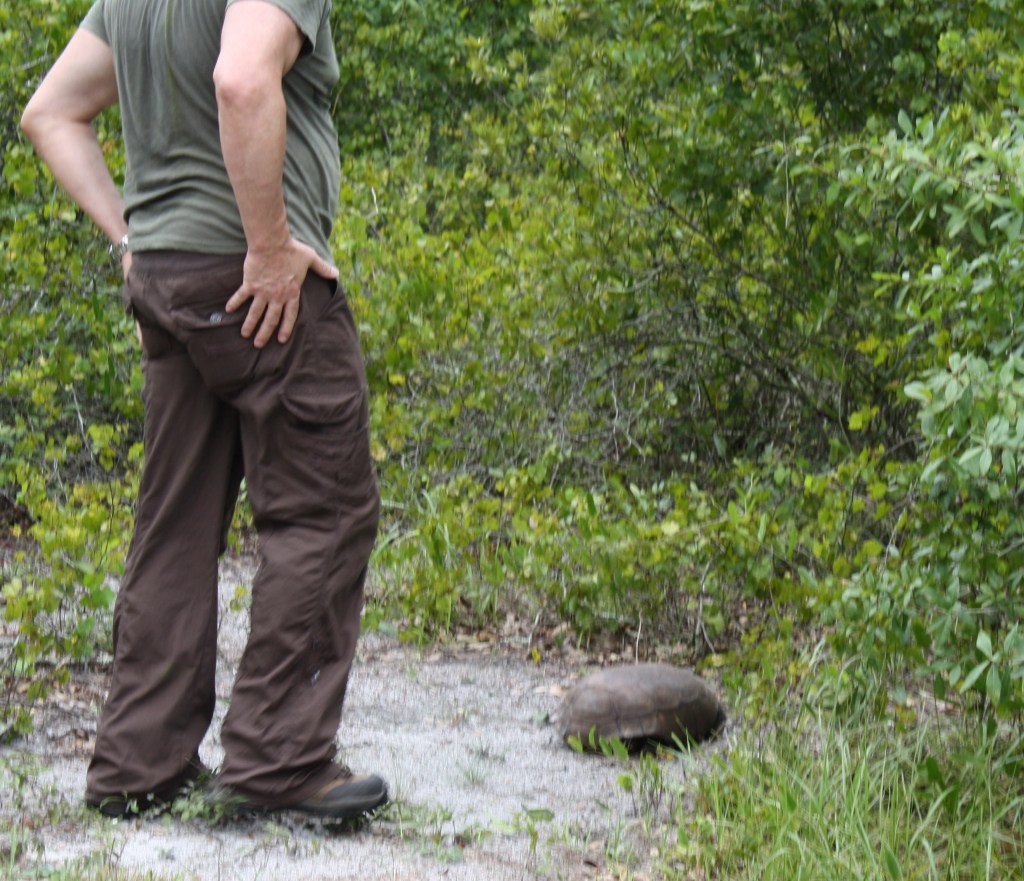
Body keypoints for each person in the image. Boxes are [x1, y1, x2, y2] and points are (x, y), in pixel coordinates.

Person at [20, 0, 387, 819]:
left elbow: (49, 112)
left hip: (169, 277)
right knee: (324, 511)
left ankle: (136, 763)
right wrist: (267, 248)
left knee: (174, 518)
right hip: (256, 283)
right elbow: (242, 79)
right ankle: (279, 762)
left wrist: (129, 239)